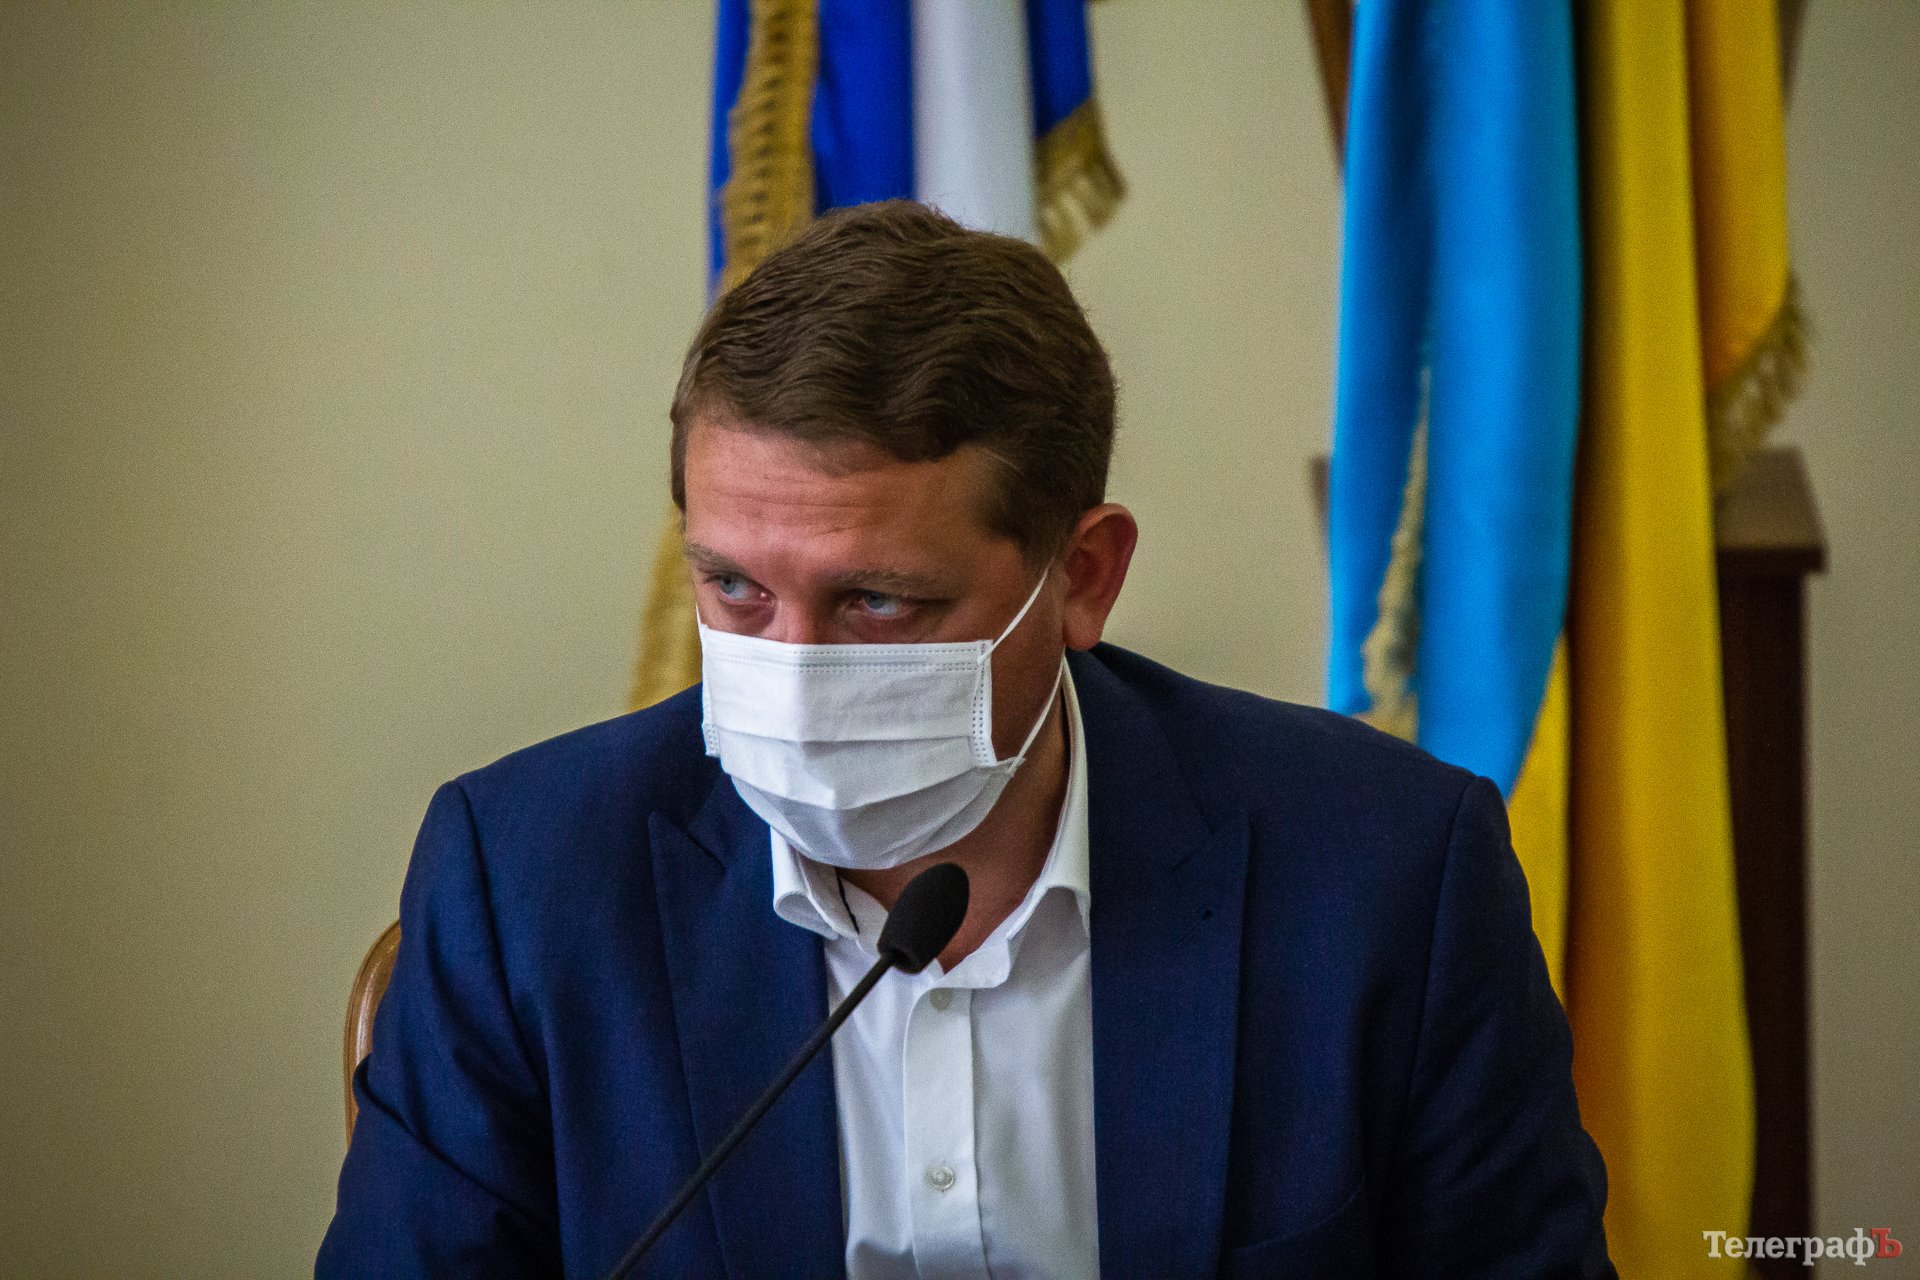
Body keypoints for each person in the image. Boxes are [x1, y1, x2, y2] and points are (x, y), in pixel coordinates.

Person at [318, 200, 1613, 1278]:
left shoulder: (1387, 874)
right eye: (736, 589)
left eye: (879, 601)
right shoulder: (528, 884)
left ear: (1083, 578)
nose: (795, 672)